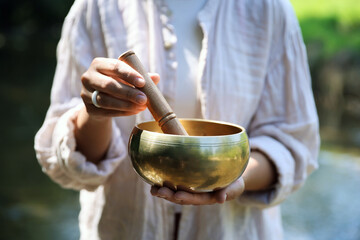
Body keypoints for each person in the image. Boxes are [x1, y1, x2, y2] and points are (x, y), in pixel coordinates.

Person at [34, 0, 320, 239]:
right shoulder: (97, 7)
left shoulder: (267, 9)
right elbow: (67, 166)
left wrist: (234, 176)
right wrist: (93, 115)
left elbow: (294, 143)